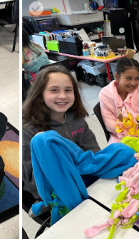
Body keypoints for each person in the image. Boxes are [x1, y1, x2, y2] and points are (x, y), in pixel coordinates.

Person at [21, 65, 99, 203]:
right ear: (40, 94)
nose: (62, 96)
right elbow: (32, 178)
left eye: (68, 90)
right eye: (54, 90)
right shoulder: (29, 129)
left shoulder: (77, 119)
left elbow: (93, 151)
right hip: (54, 194)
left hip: (85, 181)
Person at [98, 58, 139, 142]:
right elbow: (110, 126)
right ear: (117, 77)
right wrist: (127, 129)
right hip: (120, 136)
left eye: (137, 78)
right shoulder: (106, 95)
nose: (133, 83)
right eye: (128, 78)